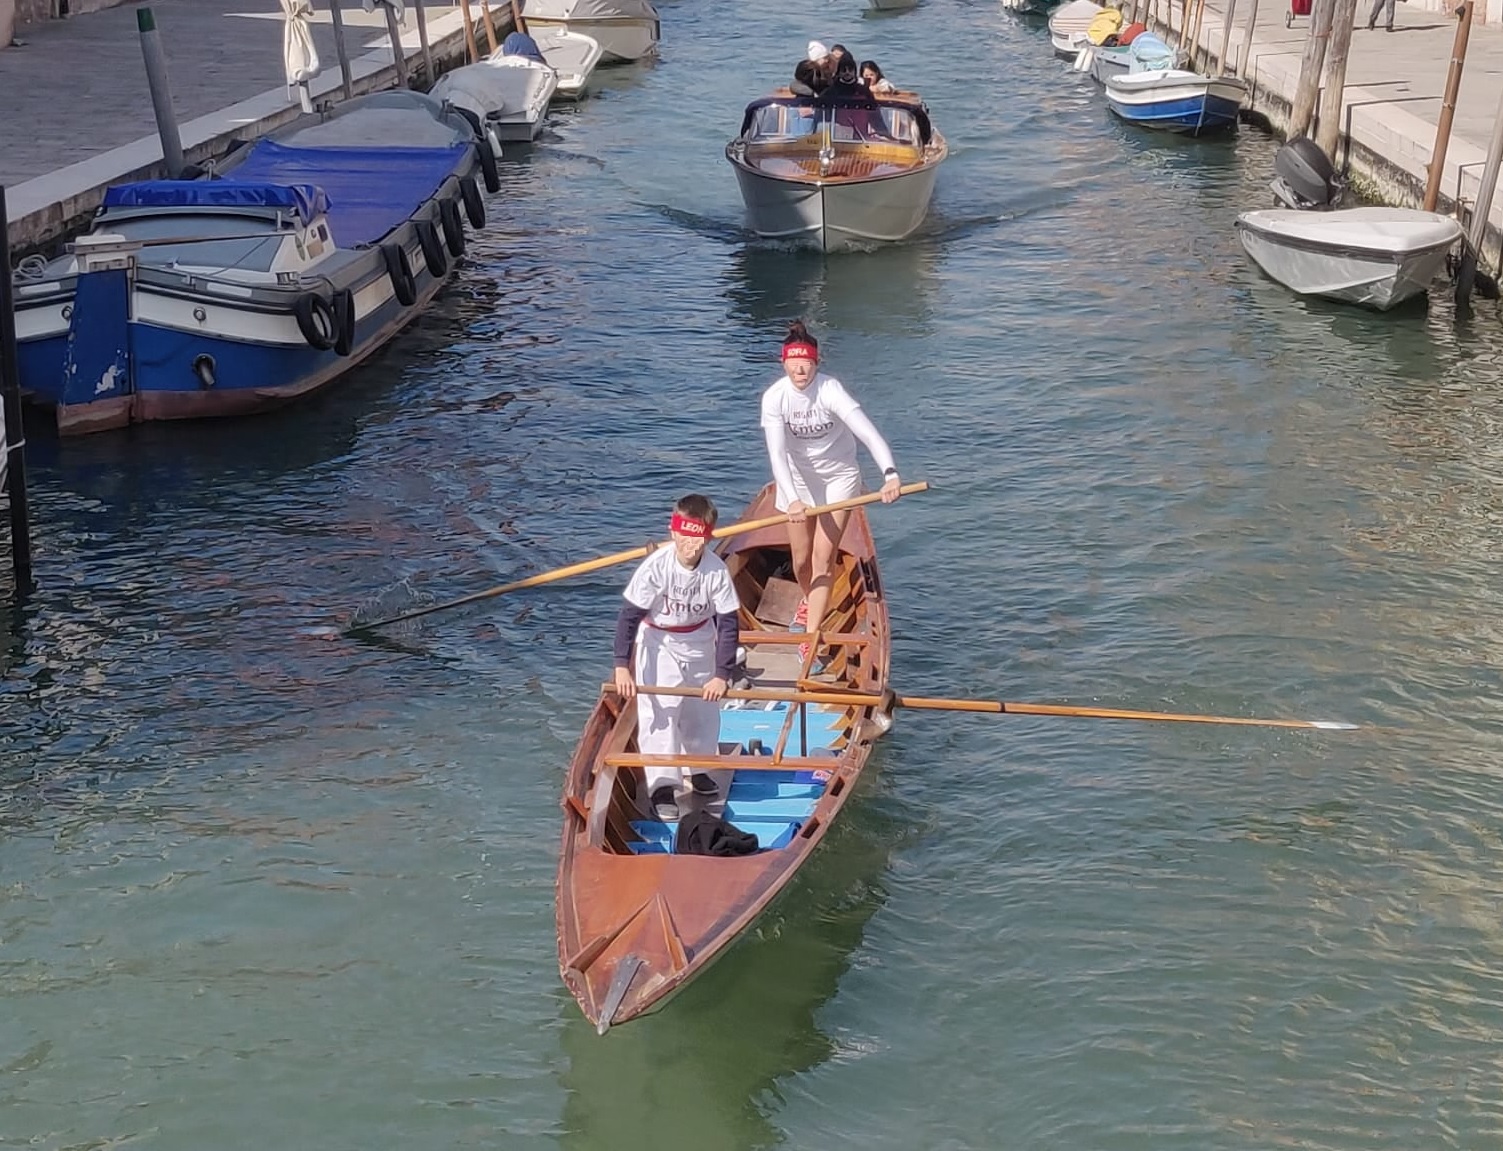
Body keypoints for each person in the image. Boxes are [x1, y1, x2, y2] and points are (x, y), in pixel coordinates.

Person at [759, 321, 902, 664]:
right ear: (784, 363)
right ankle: (812, 600)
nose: (800, 369)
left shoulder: (831, 391)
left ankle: (810, 637)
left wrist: (890, 474)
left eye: (806, 362)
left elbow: (868, 434)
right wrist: (792, 498)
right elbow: (777, 453)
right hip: (796, 480)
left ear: (817, 362)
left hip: (839, 478)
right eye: (794, 362)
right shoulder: (775, 397)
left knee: (824, 557)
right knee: (801, 560)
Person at [613, 494, 741, 821]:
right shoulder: (655, 568)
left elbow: (728, 624)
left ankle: (698, 770)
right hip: (659, 642)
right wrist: (621, 667)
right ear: (674, 533)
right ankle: (663, 787)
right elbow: (629, 618)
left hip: (700, 642)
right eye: (685, 535)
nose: (690, 544)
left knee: (702, 713)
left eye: (698, 536)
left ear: (708, 536)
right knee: (661, 714)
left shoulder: (716, 571)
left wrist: (721, 674)